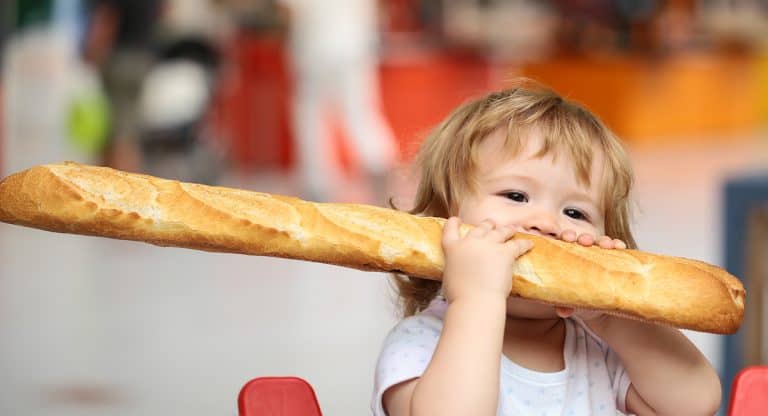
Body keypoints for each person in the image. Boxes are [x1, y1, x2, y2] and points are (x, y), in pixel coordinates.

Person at [371, 80, 721, 416]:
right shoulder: (419, 344)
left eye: (575, 212)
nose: (547, 223)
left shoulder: (598, 348)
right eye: (516, 196)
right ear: (443, 219)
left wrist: (613, 317)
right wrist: (477, 299)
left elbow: (695, 403)